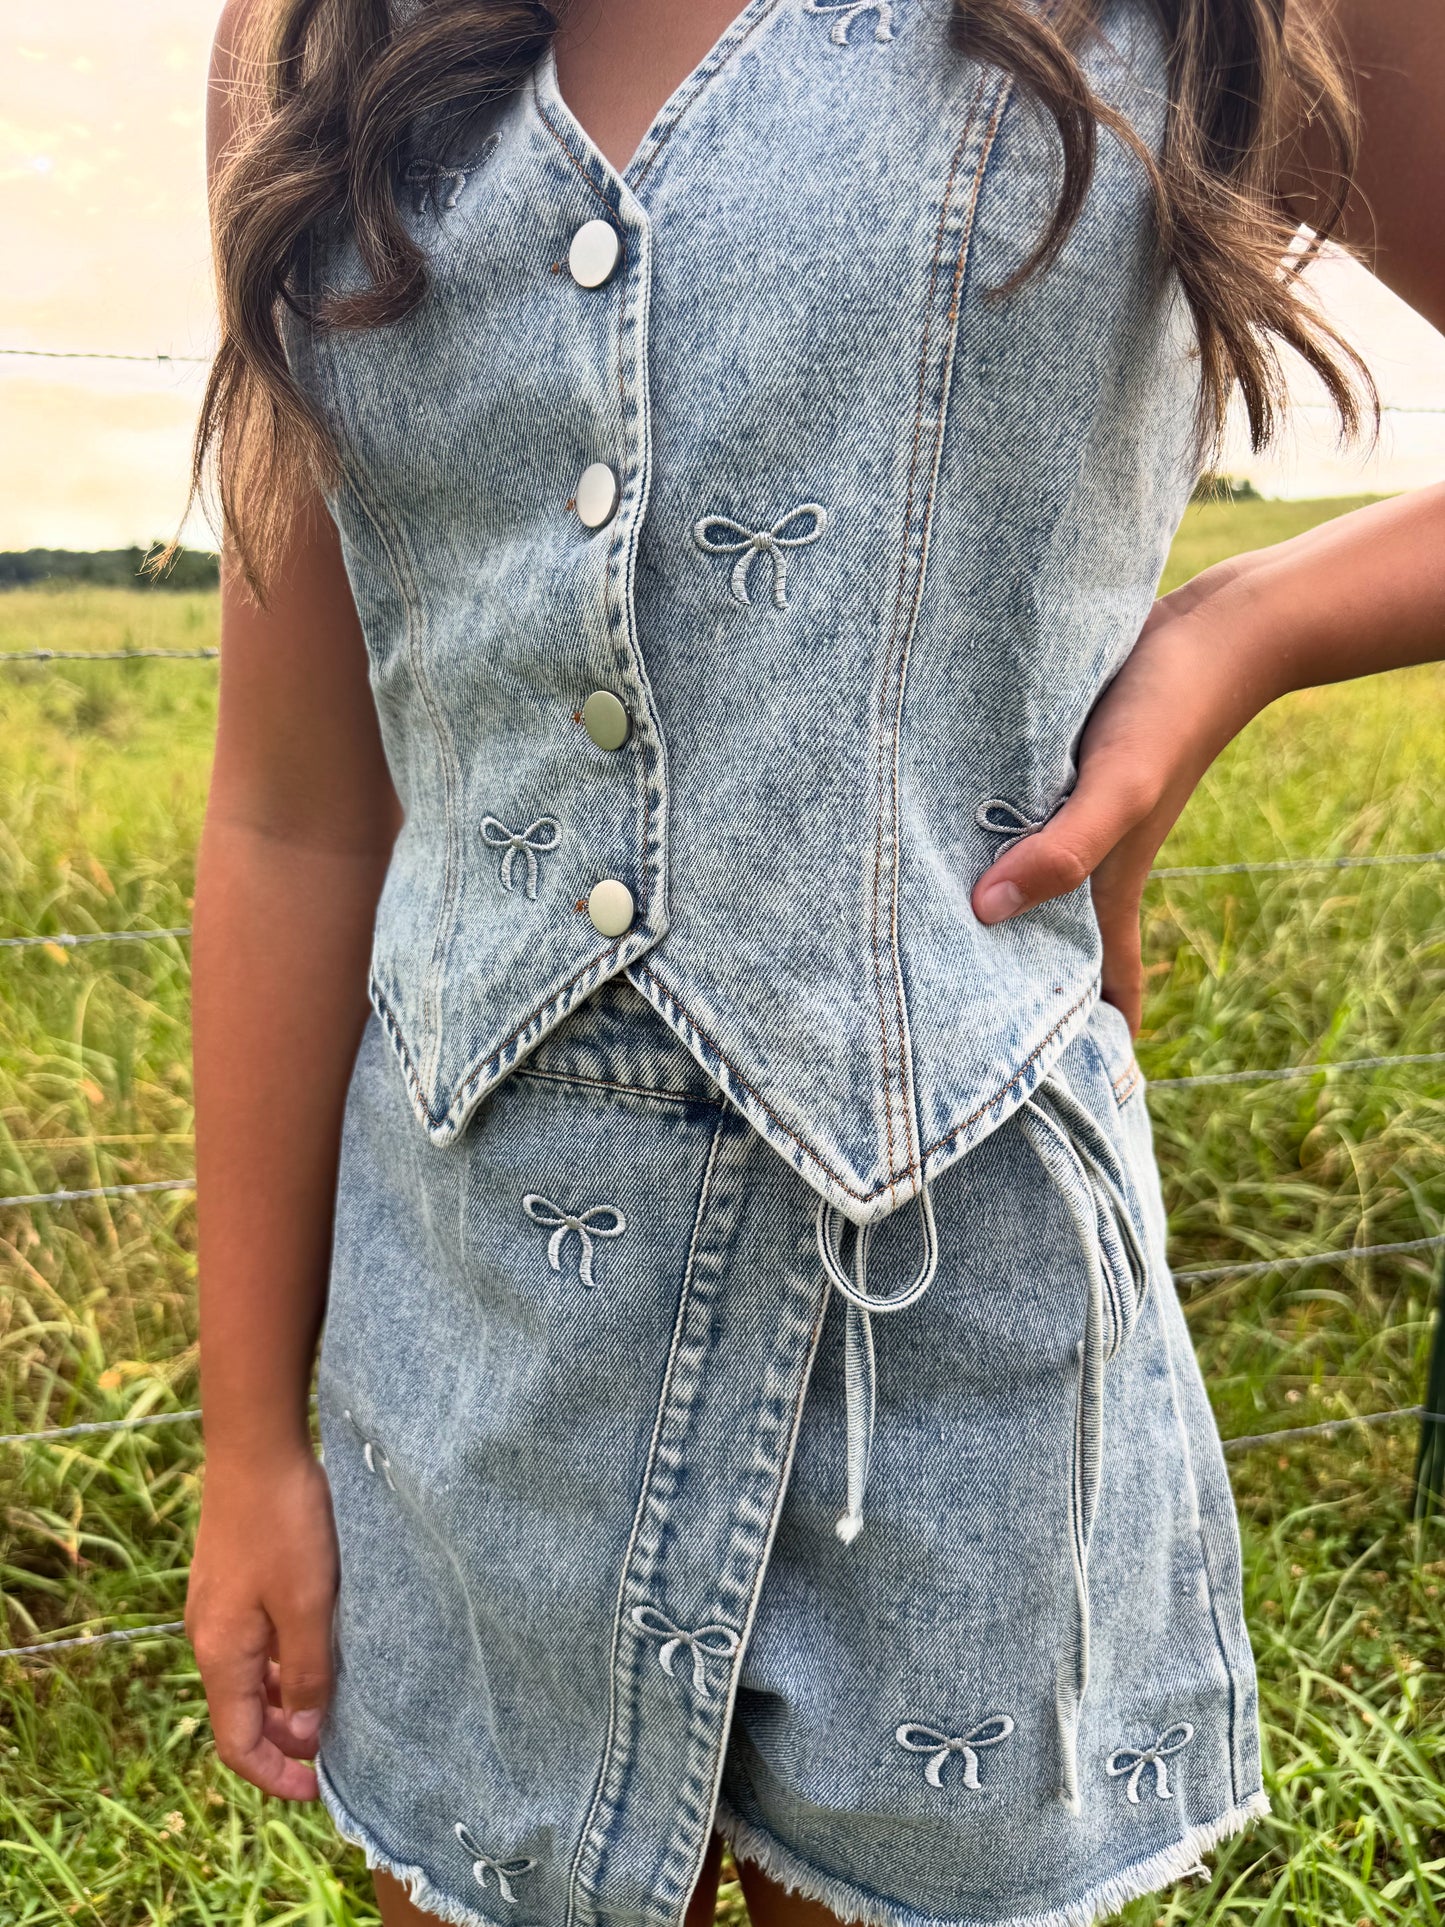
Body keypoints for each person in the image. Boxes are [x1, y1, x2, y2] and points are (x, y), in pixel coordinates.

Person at [182, 1, 1444, 1923]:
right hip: (470, 1353)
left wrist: (1238, 632)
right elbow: (294, 809)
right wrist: (250, 1439)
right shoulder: (314, 31)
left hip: (957, 1328)